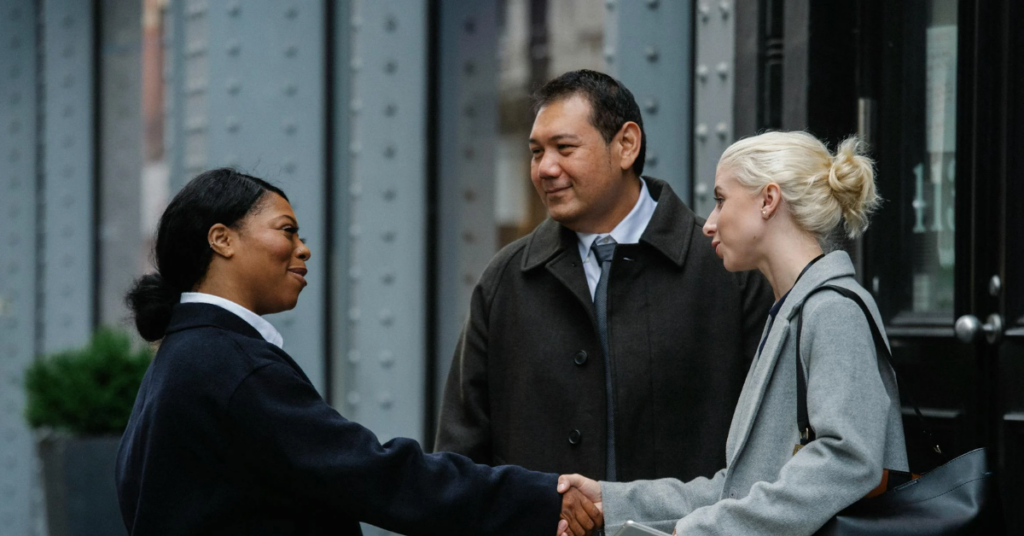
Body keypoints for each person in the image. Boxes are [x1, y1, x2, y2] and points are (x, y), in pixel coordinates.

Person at [115, 168, 602, 536]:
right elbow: (374, 472)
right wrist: (540, 497)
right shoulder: (228, 365)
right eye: (287, 230)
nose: (304, 249)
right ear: (221, 240)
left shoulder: (182, 359)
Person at [435, 69, 773, 491]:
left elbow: (772, 450)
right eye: (537, 152)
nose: (545, 168)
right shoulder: (505, 281)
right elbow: (460, 460)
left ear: (626, 145)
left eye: (564, 148)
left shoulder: (730, 273)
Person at [558, 131, 909, 535]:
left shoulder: (831, 310)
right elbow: (740, 488)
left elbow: (849, 460)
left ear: (768, 200)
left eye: (721, 199)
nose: (708, 223)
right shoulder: (792, 312)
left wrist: (704, 531)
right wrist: (613, 501)